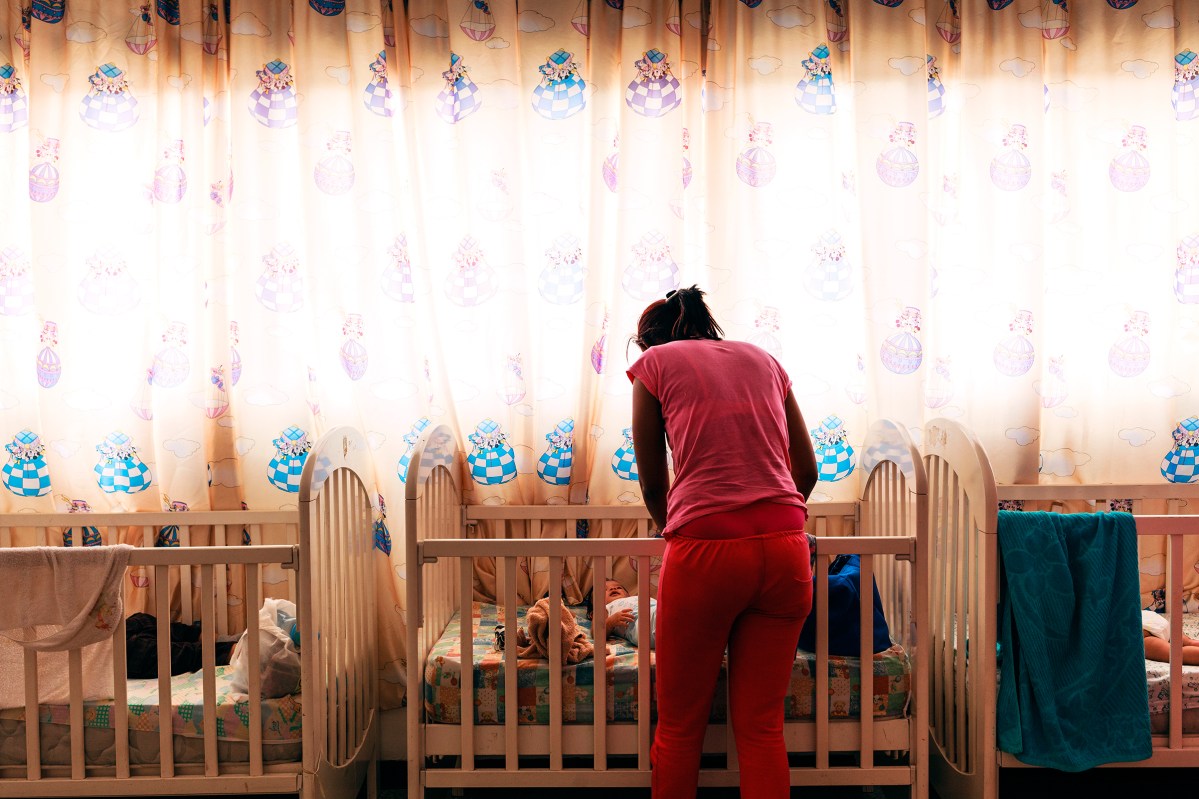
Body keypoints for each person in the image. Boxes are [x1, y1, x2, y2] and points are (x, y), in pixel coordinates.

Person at [627, 286, 818, 799]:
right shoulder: (765, 360)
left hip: (706, 553)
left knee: (679, 729)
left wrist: (690, 527)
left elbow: (651, 485)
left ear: (650, 341)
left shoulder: (656, 365)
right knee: (761, 728)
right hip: (786, 548)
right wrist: (769, 520)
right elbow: (806, 471)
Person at [594, 578, 656, 648]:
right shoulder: (604, 608)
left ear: (628, 595)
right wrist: (610, 622)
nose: (613, 588)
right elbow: (596, 633)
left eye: (619, 587)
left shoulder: (636, 597)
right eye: (604, 590)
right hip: (638, 624)